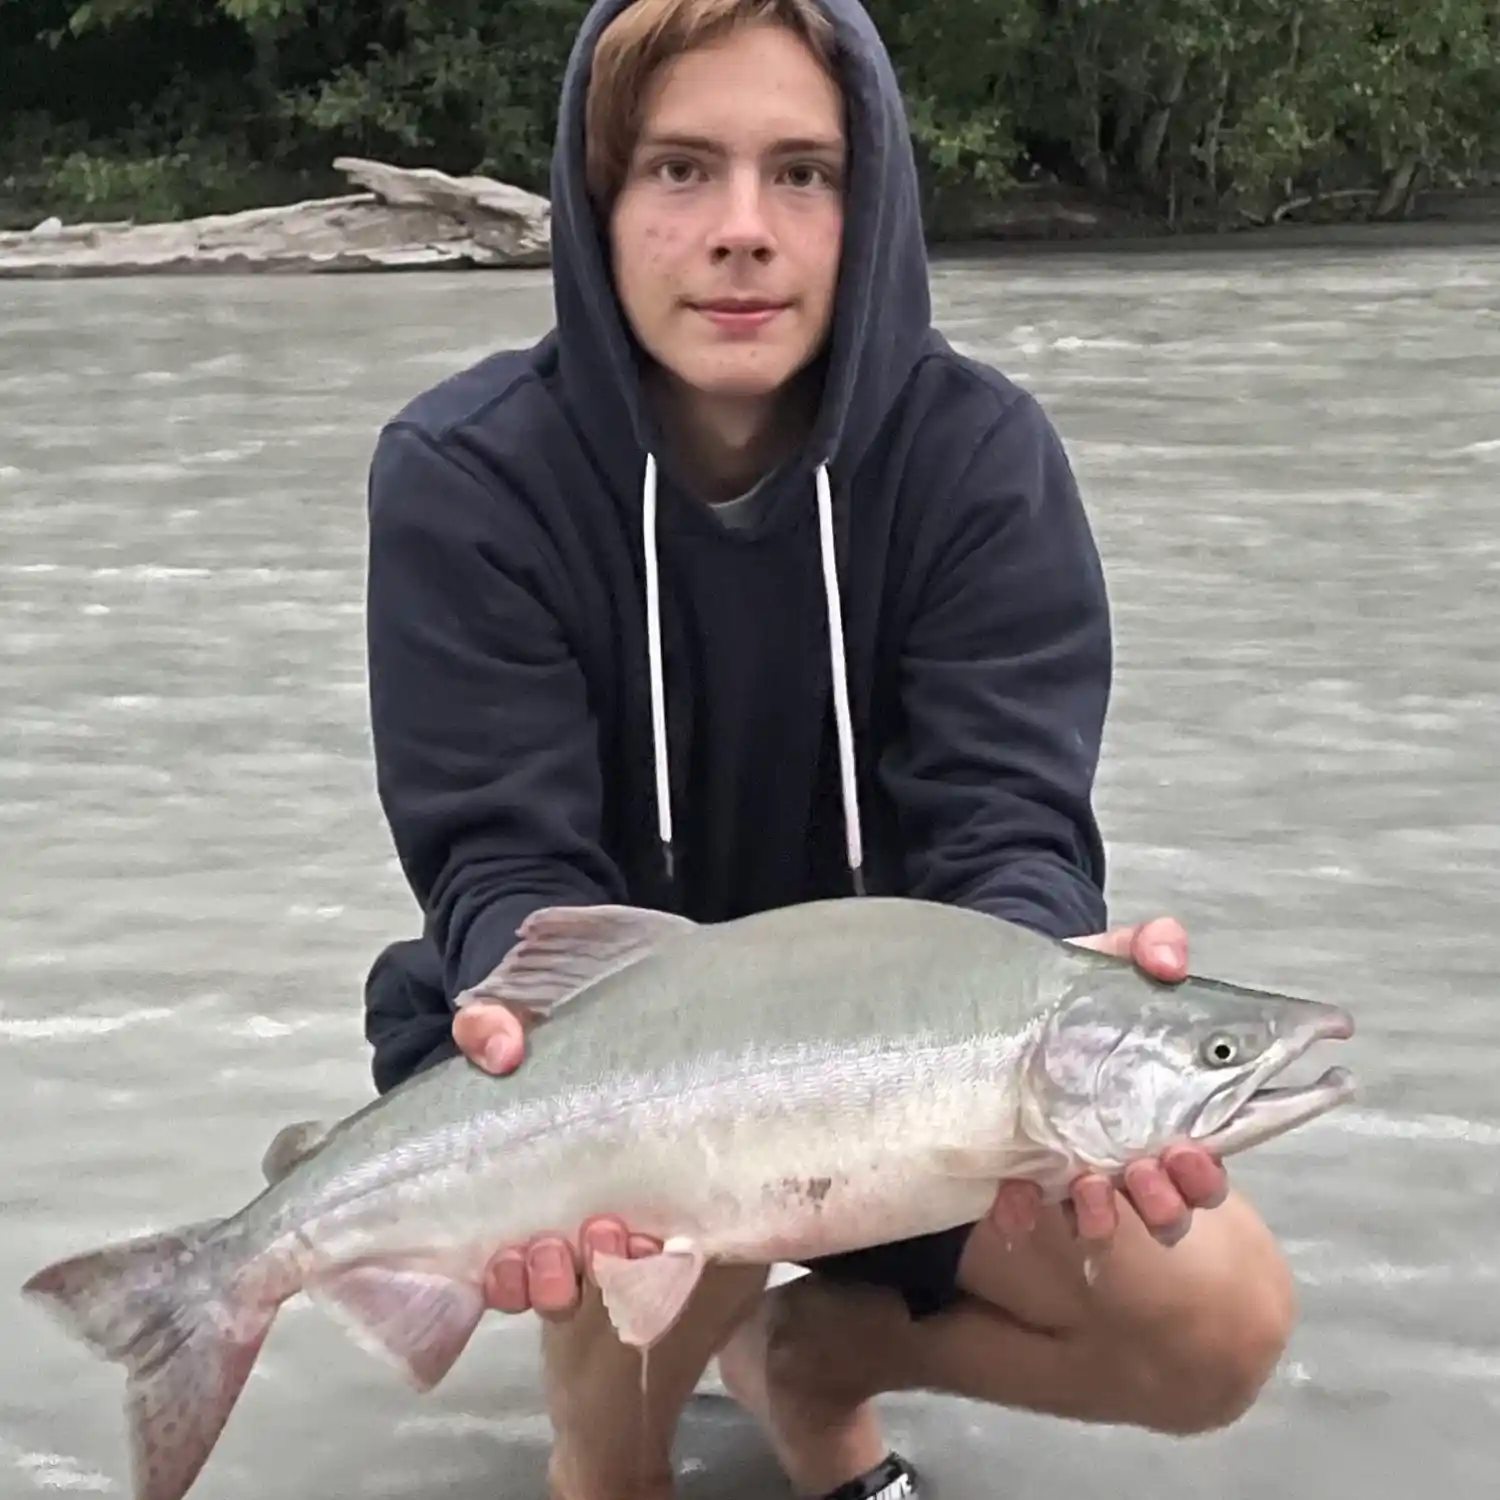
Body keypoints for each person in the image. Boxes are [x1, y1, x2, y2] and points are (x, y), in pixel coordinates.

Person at [359, 1, 1296, 1497]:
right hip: (597, 1068)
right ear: (596, 204)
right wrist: (506, 1024)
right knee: (616, 1445)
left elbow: (1008, 827)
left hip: (918, 1072)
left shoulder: (980, 460)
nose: (744, 229)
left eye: (803, 172)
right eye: (680, 170)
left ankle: (816, 1368)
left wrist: (1049, 973)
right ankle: (608, 1456)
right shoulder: (466, 479)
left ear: (876, 207)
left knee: (1222, 1323)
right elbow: (504, 862)